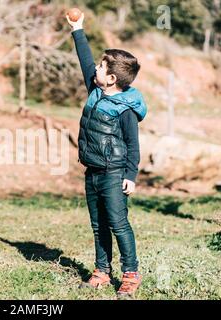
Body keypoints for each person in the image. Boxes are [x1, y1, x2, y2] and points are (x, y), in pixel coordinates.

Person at [67, 11, 147, 298]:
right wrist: (78, 29)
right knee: (98, 223)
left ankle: (131, 273)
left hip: (114, 173)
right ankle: (102, 270)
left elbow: (133, 144)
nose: (95, 69)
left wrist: (131, 175)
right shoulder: (95, 91)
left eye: (101, 67)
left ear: (111, 78)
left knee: (118, 223)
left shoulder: (125, 109)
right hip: (93, 171)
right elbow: (84, 60)